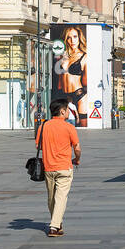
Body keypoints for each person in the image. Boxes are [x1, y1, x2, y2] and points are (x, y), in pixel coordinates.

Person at [36, 98, 80, 237]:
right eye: (67, 109)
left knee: (52, 198)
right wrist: (77, 159)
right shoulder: (69, 127)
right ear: (62, 111)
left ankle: (57, 224)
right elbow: (77, 147)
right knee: (60, 198)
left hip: (48, 167)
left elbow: (39, 146)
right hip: (64, 167)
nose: (68, 112)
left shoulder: (43, 126)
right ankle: (54, 226)